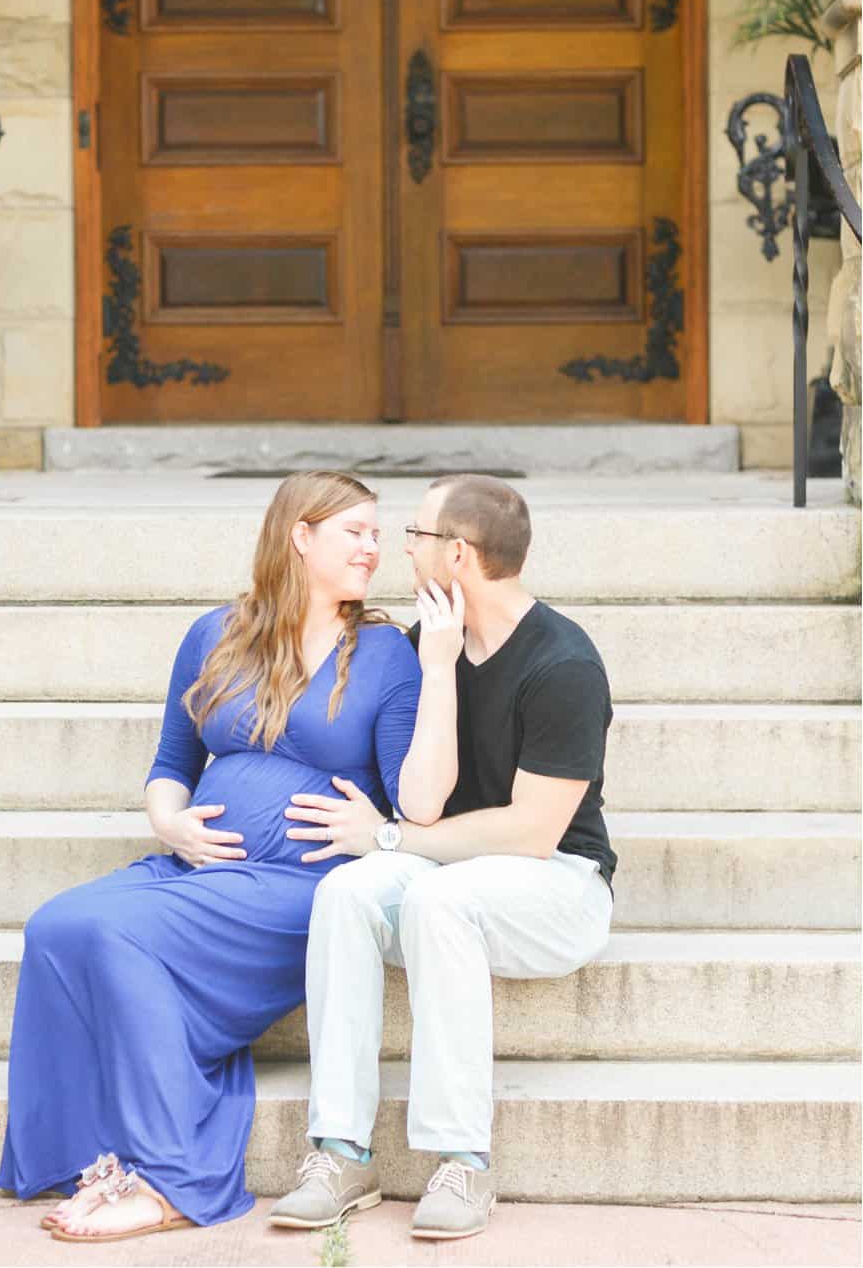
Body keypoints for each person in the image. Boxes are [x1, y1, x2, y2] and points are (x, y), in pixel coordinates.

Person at [0, 471, 421, 1244]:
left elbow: (414, 798)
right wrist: (173, 826)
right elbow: (170, 763)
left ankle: (169, 1182)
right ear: (301, 535)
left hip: (301, 889)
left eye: (377, 533)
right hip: (196, 872)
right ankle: (90, 1159)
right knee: (58, 926)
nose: (374, 547)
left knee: (118, 939)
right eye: (355, 531)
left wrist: (377, 832)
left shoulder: (387, 655)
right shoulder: (215, 634)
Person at [270, 474, 616, 1242]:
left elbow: (534, 833)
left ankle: (464, 1158)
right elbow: (422, 802)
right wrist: (435, 665)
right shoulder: (428, 644)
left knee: (431, 896)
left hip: (559, 889)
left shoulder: (564, 665)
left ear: (456, 554)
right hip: (453, 870)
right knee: (348, 892)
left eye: (417, 536)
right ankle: (341, 1151)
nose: (403, 546)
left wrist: (392, 839)